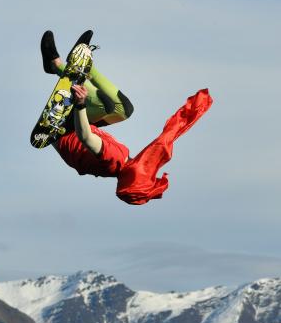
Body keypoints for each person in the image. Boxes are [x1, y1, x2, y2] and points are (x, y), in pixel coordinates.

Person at [41, 31, 213, 205]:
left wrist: (80, 104)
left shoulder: (114, 158)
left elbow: (85, 137)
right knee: (124, 110)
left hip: (63, 129)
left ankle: (57, 65)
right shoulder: (118, 164)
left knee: (106, 105)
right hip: (72, 134)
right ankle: (86, 64)